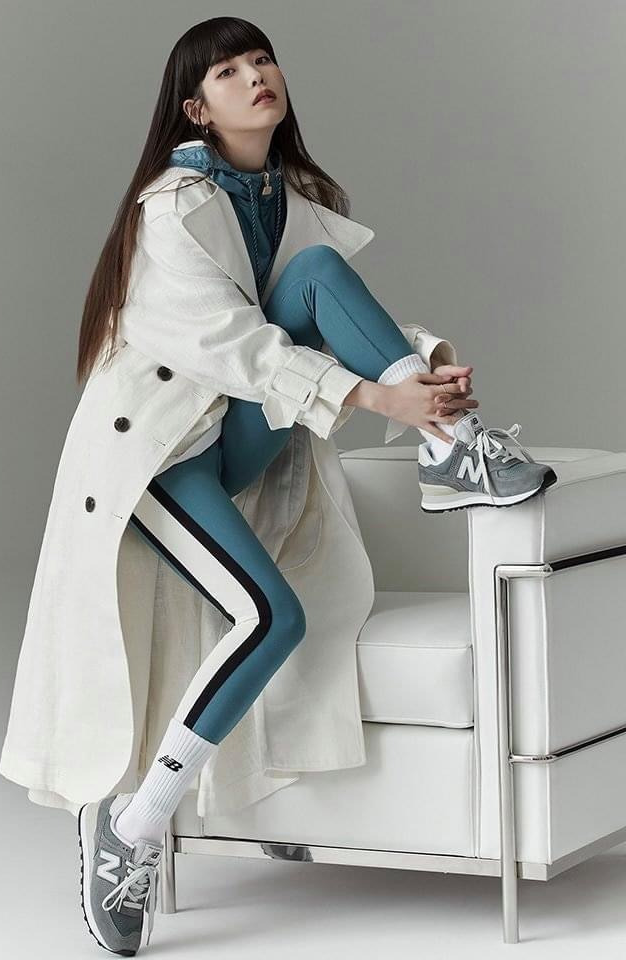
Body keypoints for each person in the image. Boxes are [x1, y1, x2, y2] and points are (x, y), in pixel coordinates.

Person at [64, 17, 558, 956]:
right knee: (270, 617)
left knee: (322, 272)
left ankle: (455, 448)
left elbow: (313, 315)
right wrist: (378, 395)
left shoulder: (280, 195)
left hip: (233, 428)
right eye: (228, 70)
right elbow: (235, 345)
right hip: (161, 452)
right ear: (194, 109)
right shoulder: (172, 207)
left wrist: (418, 380)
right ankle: (131, 825)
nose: (256, 75)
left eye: (261, 58)